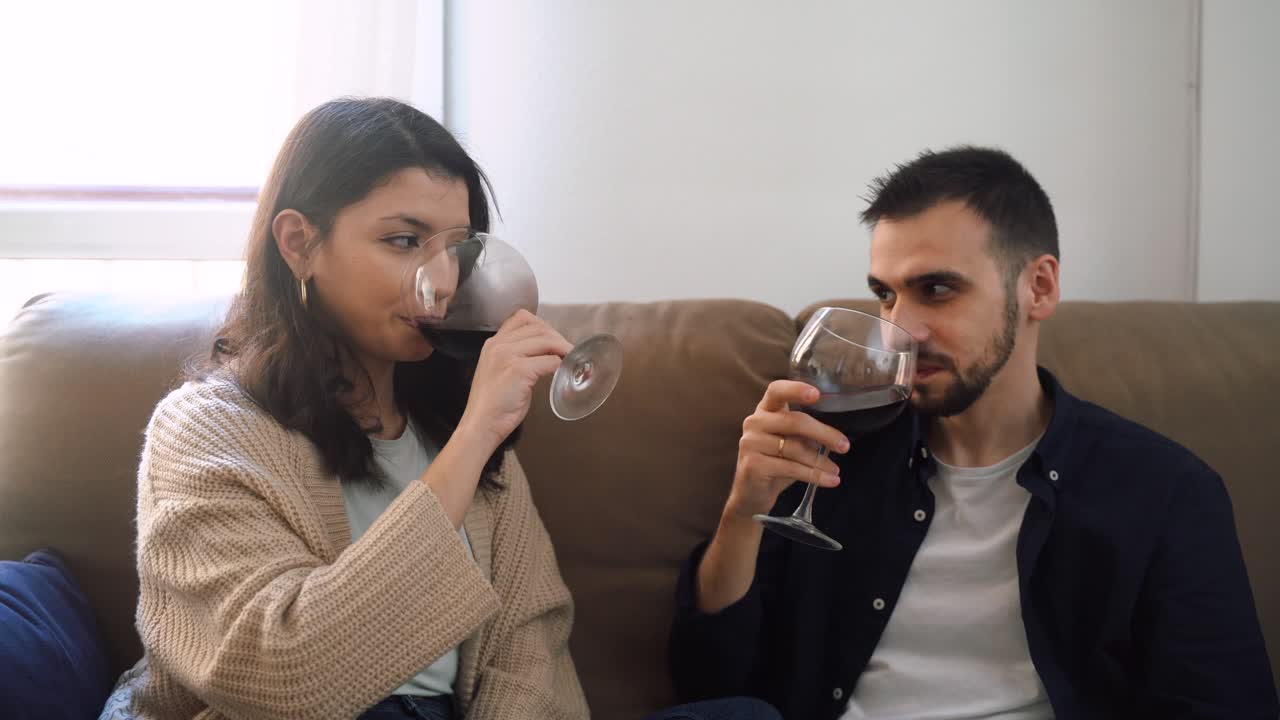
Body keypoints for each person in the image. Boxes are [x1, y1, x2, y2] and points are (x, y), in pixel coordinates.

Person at [669, 146, 1278, 719]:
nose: (899, 328)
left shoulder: (1163, 491)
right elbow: (709, 680)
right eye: (885, 295)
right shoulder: (833, 454)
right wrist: (744, 512)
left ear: (1038, 287)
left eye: (936, 289)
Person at [103, 97, 589, 719]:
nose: (441, 281)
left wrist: (471, 438)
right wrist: (473, 439)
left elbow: (529, 648)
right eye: (405, 240)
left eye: (456, 249)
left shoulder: (461, 431)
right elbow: (283, 673)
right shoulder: (204, 430)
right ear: (300, 243)